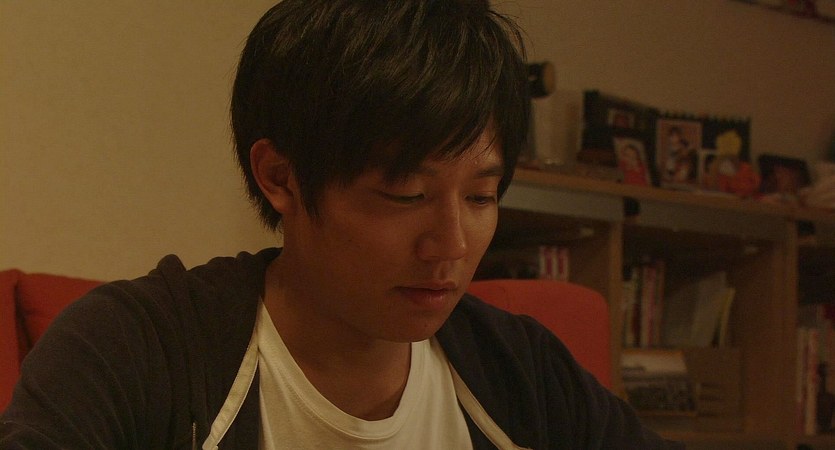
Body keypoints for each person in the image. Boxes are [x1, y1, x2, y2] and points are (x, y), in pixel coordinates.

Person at [1, 1, 682, 448]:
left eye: (480, 197)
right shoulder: (138, 350)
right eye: (406, 194)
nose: (450, 245)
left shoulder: (519, 373)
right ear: (281, 177)